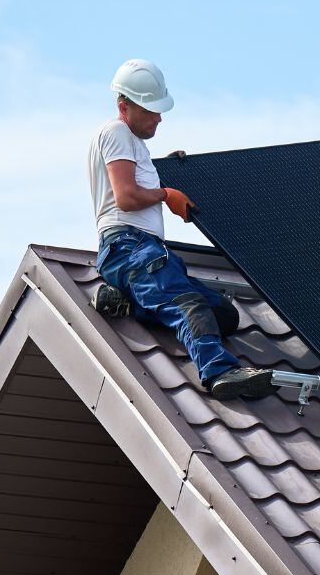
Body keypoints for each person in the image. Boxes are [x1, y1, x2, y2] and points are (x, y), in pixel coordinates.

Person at [87, 59, 272, 400]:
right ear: (124, 107)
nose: (159, 118)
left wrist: (164, 170)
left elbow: (135, 182)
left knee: (224, 314)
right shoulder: (115, 132)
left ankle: (127, 302)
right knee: (189, 305)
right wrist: (165, 194)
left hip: (142, 251)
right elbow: (126, 197)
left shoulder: (132, 143)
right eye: (151, 111)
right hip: (130, 246)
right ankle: (218, 371)